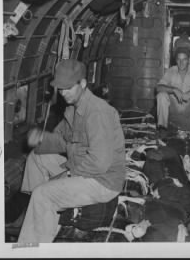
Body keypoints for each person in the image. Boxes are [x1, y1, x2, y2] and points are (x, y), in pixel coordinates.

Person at [17, 59, 126, 243]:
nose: (63, 93)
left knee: (43, 194)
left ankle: (33, 246)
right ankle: (36, 214)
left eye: (68, 88)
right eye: (60, 89)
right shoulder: (72, 108)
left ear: (83, 84)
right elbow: (62, 139)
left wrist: (68, 174)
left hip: (103, 181)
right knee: (36, 158)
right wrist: (41, 139)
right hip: (83, 165)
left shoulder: (97, 112)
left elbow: (100, 163)